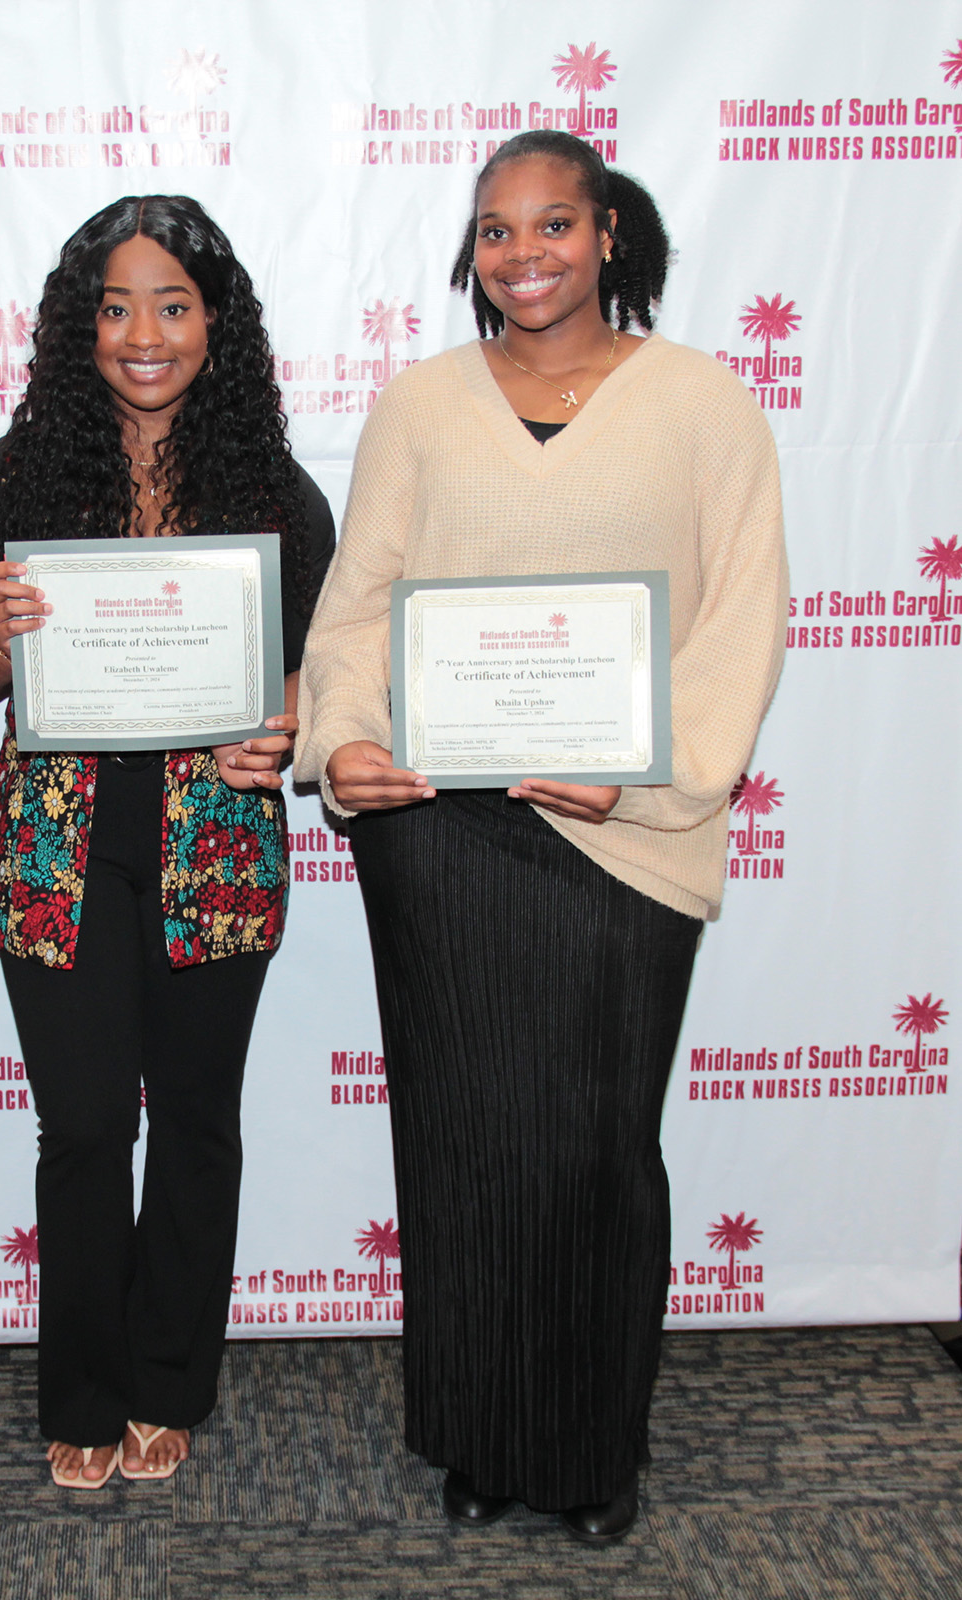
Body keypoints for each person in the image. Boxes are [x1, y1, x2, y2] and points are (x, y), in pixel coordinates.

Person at [295, 130, 787, 1543]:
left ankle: (590, 1449)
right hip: (439, 834)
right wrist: (345, 740)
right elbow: (358, 604)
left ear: (607, 233)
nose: (524, 254)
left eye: (553, 223)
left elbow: (739, 619)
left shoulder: (704, 405)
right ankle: (481, 1436)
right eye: (497, 230)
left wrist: (642, 778)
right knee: (461, 1144)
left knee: (593, 1154)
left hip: (625, 842)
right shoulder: (421, 404)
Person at [0, 195, 335, 1488]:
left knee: (199, 1121)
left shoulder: (274, 490)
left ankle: (170, 1379)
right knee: (87, 1126)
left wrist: (285, 720)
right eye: (115, 308)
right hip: (60, 844)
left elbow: (319, 670)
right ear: (78, 326)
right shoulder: (8, 479)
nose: (144, 334)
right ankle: (83, 1390)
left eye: (173, 305)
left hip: (216, 835)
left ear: (217, 322)